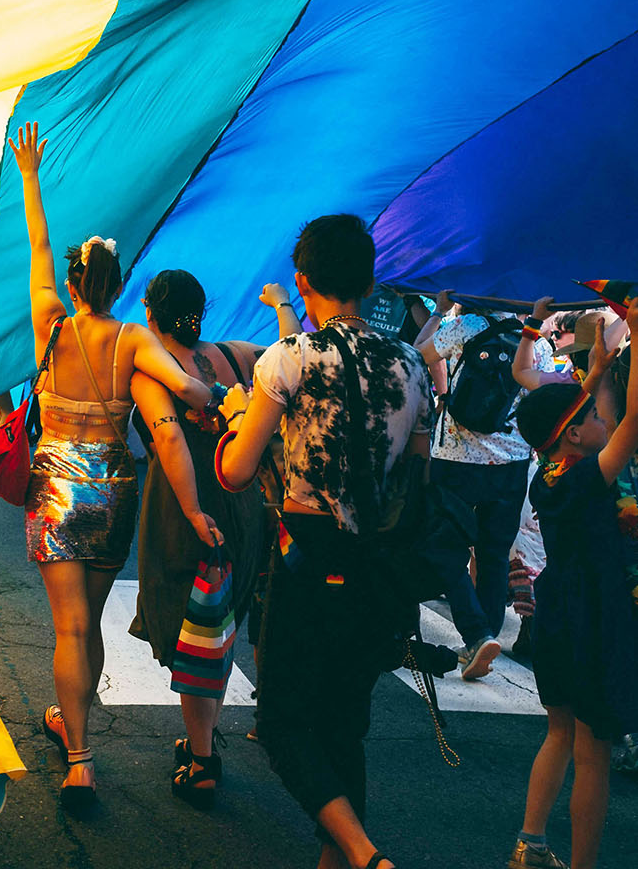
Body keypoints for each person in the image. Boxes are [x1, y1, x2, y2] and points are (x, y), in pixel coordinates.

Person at [219, 214, 434, 869]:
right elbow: (418, 473)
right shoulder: (410, 366)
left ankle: (367, 855)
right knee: (346, 730)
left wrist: (235, 420)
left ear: (302, 281)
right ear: (370, 283)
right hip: (379, 571)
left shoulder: (291, 358)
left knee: (283, 723)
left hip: (309, 565)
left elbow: (236, 470)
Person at [9, 121, 212, 807]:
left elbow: (36, 244)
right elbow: (186, 388)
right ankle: (74, 726)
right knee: (87, 625)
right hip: (114, 485)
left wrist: (31, 177)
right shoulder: (130, 338)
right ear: (121, 284)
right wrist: (222, 397)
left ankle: (80, 758)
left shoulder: (51, 323)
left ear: (74, 281)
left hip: (58, 482)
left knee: (66, 628)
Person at [505, 300, 638, 869]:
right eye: (592, 419)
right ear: (576, 439)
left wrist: (600, 371)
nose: (602, 421)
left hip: (558, 609)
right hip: (595, 616)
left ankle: (530, 842)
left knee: (559, 733)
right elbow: (633, 420)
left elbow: (584, 414)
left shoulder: (551, 476)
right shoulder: (588, 479)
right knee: (594, 754)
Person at [129, 269, 267, 809]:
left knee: (190, 626)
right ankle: (201, 736)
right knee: (219, 622)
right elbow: (289, 351)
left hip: (185, 510)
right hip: (241, 500)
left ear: (151, 314)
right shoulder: (236, 357)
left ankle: (202, 757)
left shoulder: (152, 372)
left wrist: (189, 510)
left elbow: (166, 438)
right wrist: (281, 305)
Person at [415, 289, 554, 679]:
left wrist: (438, 313)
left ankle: (477, 635)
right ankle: (487, 635)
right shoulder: (535, 340)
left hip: (455, 460)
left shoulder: (463, 326)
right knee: (493, 556)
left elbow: (418, 354)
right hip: (510, 461)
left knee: (445, 549)